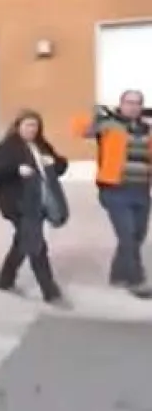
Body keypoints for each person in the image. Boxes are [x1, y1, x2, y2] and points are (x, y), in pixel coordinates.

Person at [72, 90, 152, 299]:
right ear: (121, 104)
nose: (133, 107)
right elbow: (80, 130)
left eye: (137, 103)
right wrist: (95, 115)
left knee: (137, 235)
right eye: (129, 102)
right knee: (127, 234)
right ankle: (136, 280)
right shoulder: (109, 125)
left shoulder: (147, 129)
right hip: (115, 189)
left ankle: (117, 275)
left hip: (141, 189)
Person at [0, 110, 69, 306]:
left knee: (23, 242)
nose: (32, 129)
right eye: (28, 125)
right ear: (18, 126)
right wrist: (16, 170)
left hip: (40, 201)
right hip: (18, 204)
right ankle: (49, 290)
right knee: (36, 244)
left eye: (35, 126)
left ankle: (5, 279)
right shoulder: (8, 146)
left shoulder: (41, 145)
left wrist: (55, 162)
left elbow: (60, 167)